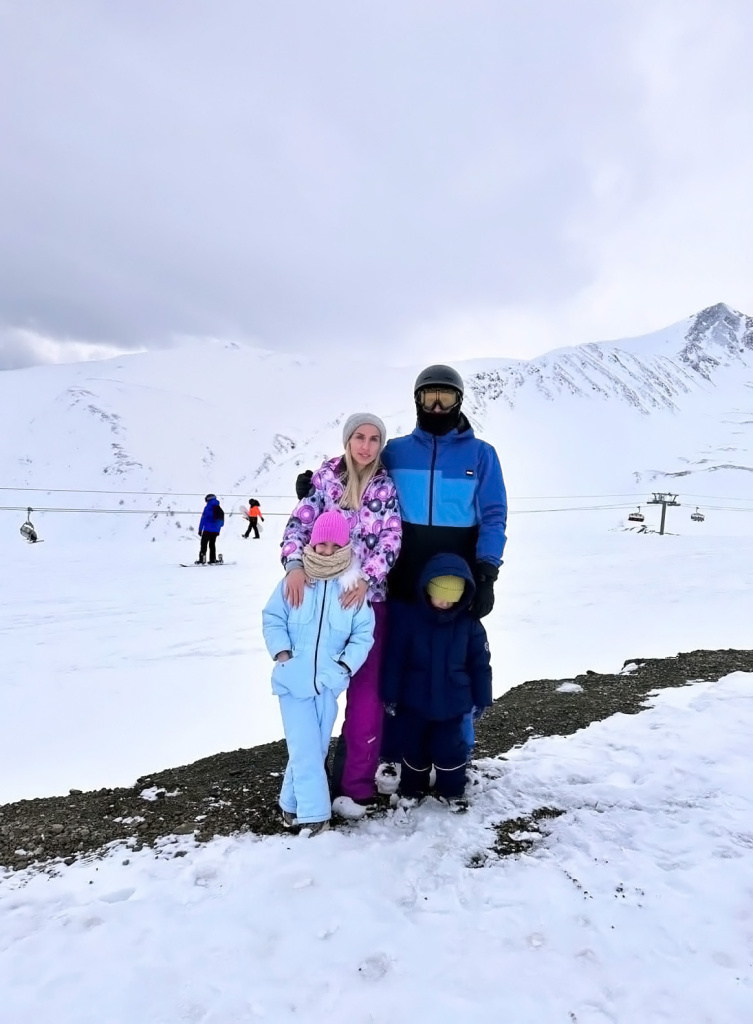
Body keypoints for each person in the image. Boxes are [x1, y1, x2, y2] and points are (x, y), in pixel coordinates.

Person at [281, 413, 401, 814]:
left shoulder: (385, 485)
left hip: (368, 602)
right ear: (347, 440)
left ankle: (354, 787)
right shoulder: (325, 479)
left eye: (373, 439)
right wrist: (294, 565)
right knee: (315, 697)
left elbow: (391, 538)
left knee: (367, 699)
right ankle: (305, 789)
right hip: (321, 602)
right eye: (359, 437)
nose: (366, 446)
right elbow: (298, 525)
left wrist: (367, 578)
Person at [262, 510, 375, 836]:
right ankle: (315, 815)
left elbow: (363, 634)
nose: (327, 550)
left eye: (334, 545)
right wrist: (282, 654)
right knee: (306, 750)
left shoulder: (351, 588)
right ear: (311, 543)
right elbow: (272, 618)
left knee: (314, 747)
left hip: (328, 684)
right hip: (292, 681)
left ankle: (290, 805)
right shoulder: (295, 581)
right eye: (321, 544)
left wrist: (344, 667)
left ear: (345, 547)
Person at [381, 553, 492, 805]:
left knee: (450, 750)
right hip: (415, 702)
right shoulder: (410, 621)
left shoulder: (469, 625)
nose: (445, 603)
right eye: (440, 596)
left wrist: (482, 698)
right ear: (427, 589)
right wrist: (391, 695)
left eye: (452, 598)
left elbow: (480, 665)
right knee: (413, 749)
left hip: (453, 704)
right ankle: (412, 790)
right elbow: (395, 660)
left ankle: (452, 791)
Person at [196, 493, 224, 564]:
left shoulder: (208, 508)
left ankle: (202, 559)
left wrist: (200, 529)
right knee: (212, 544)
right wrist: (217, 529)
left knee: (204, 544)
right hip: (215, 531)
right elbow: (221, 522)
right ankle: (212, 559)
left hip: (207, 530)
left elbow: (203, 519)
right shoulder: (218, 507)